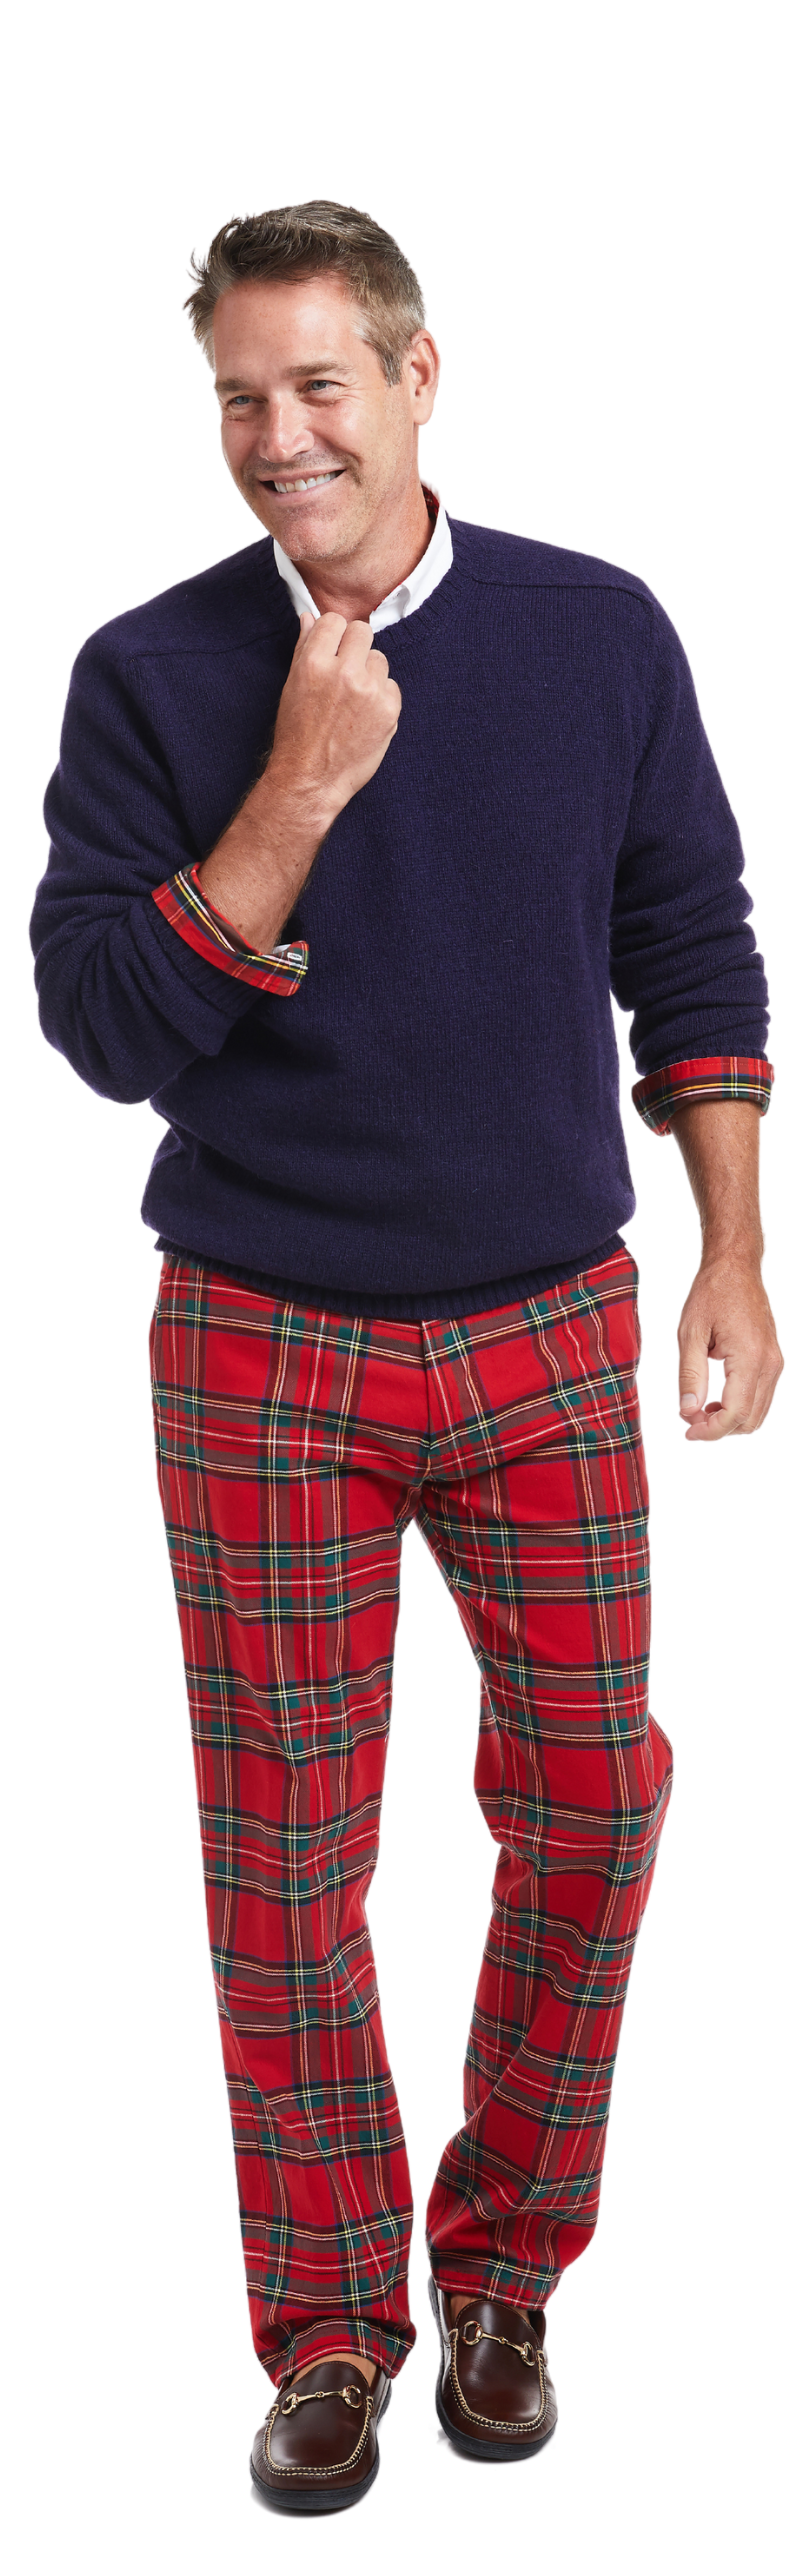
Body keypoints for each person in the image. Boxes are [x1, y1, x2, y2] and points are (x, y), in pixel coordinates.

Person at [30, 200, 782, 2514]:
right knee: (283, 1857)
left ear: (415, 374)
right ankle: (337, 2320)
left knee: (594, 1803)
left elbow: (689, 941)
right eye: (238, 400)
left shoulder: (592, 630)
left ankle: (508, 2266)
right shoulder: (154, 675)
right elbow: (106, 1028)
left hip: (543, 1312)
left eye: (318, 386)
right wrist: (297, 787)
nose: (280, 438)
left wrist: (731, 1249)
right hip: (260, 1334)